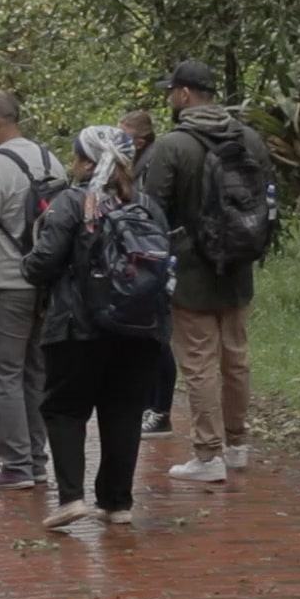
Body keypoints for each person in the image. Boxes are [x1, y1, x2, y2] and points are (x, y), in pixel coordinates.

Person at [22, 126, 167, 528]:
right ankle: (117, 502)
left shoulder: (72, 201)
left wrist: (27, 264)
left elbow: (45, 261)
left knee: (64, 408)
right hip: (140, 328)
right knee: (122, 409)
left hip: (78, 325)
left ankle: (71, 498)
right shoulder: (147, 204)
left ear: (87, 161)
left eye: (76, 156)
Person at [141, 61, 274, 483]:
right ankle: (237, 446)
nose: (168, 99)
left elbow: (151, 210)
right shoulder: (249, 137)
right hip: (238, 265)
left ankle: (207, 453)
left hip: (192, 270)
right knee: (236, 358)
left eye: (170, 92)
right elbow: (267, 197)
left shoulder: (173, 145)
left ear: (183, 95)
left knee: (198, 362)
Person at [0, 90, 55, 490]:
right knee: (35, 374)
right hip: (46, 284)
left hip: (4, 286)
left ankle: (15, 464)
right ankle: (36, 459)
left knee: (3, 376)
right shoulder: (52, 161)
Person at [120, 109, 176, 440]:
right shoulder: (135, 164)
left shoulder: (153, 163)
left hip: (156, 257)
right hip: (143, 257)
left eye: (125, 135)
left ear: (140, 140)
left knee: (158, 336)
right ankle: (147, 405)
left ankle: (160, 409)